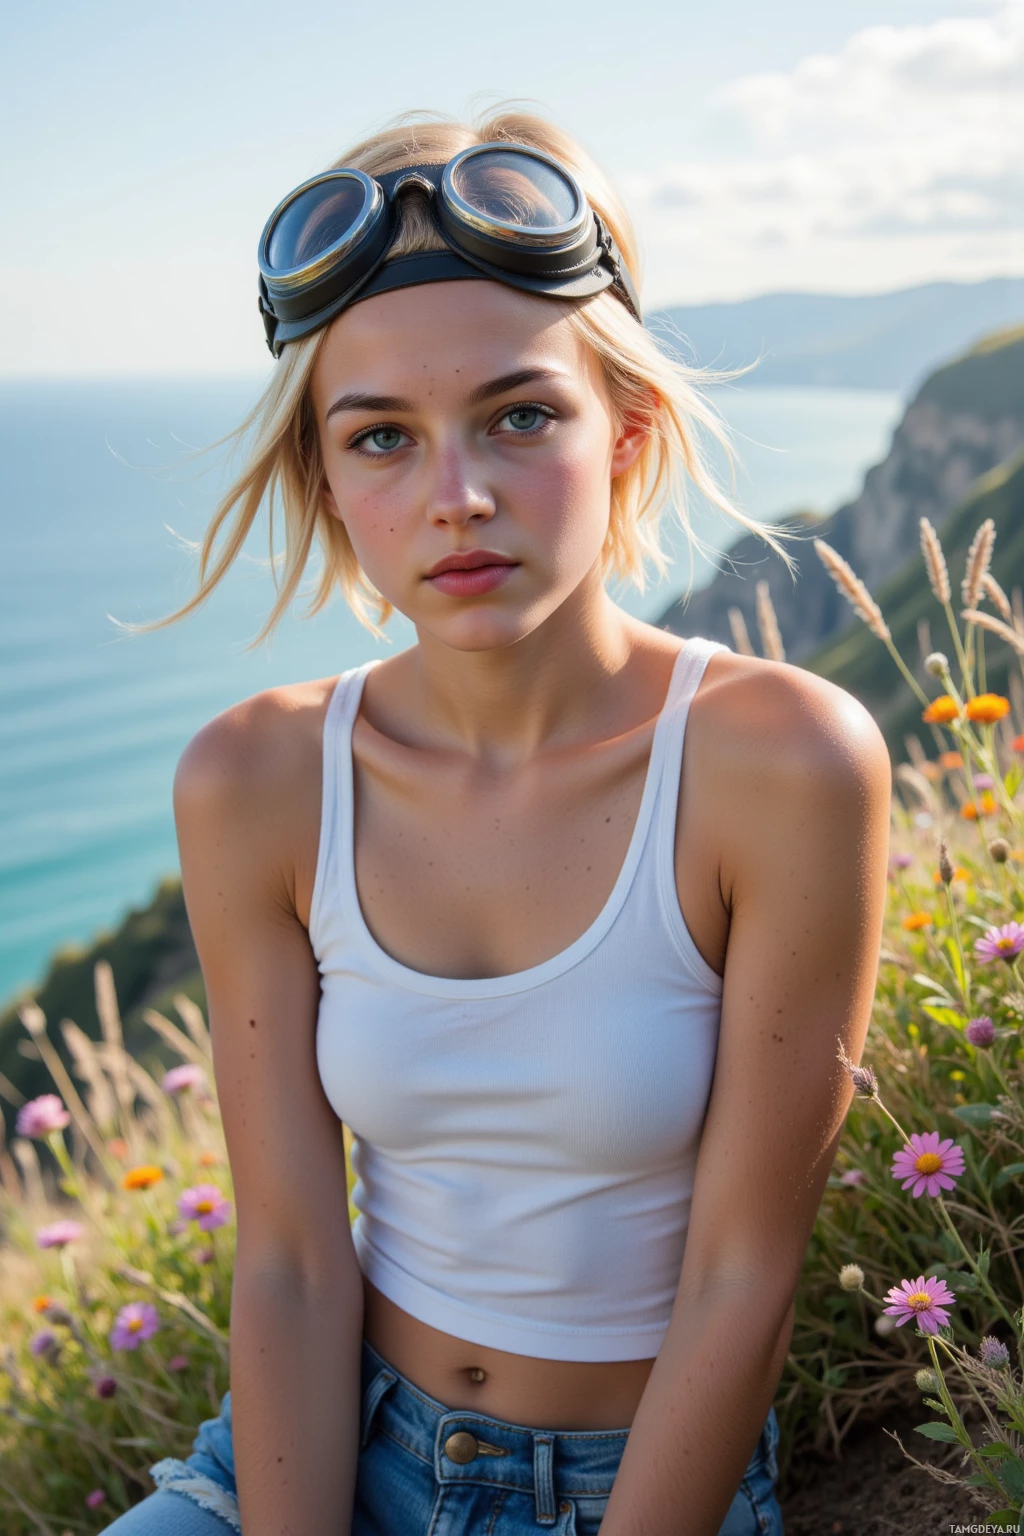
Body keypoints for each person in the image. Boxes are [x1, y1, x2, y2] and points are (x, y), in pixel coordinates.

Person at [100, 107, 891, 1536]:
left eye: (521, 416)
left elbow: (744, 1277)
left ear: (626, 430)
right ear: (328, 485)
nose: (455, 498)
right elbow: (289, 1261)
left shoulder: (779, 763)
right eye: (381, 439)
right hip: (326, 1451)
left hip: (630, 1490)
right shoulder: (257, 779)